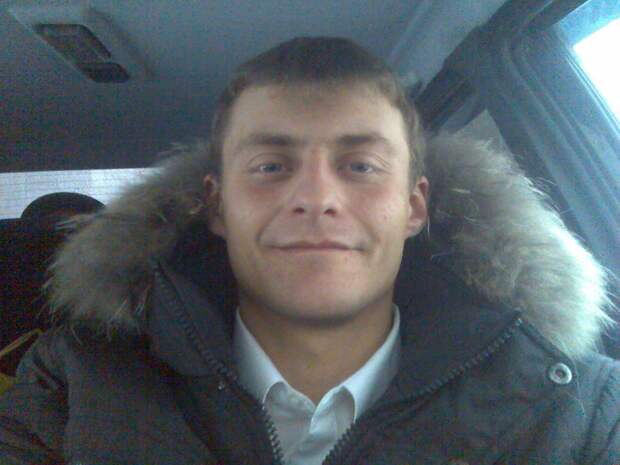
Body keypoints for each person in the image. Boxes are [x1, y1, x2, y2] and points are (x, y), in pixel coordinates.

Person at [1, 37, 619, 465]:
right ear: (216, 207)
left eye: (361, 165)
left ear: (415, 207)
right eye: (271, 165)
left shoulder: (581, 410)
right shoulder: (74, 385)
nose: (317, 198)